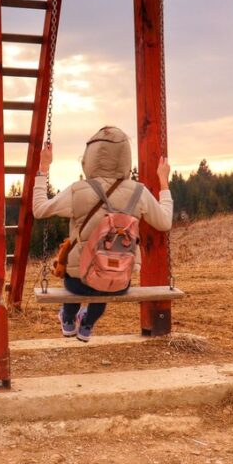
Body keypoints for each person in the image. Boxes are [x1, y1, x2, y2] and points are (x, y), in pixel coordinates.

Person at [32, 125, 173, 342]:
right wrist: (163, 180)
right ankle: (87, 324)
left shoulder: (78, 190)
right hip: (120, 282)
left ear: (90, 157)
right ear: (126, 157)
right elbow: (164, 222)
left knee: (80, 277)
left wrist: (44, 167)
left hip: (79, 282)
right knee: (108, 275)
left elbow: (39, 209)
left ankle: (68, 318)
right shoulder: (139, 191)